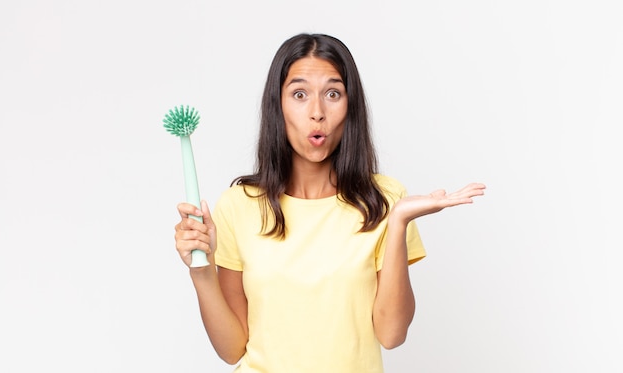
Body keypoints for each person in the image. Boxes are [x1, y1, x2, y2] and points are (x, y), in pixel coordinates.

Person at [173, 33, 486, 373]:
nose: (317, 112)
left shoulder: (384, 200)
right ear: (277, 106)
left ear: (351, 106)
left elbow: (392, 334)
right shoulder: (238, 205)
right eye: (299, 94)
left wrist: (398, 223)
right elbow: (232, 349)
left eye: (333, 94)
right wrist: (201, 273)